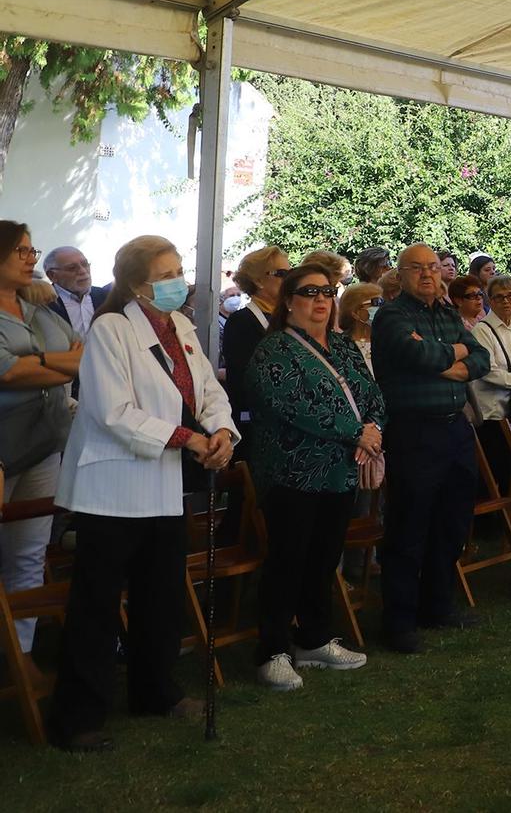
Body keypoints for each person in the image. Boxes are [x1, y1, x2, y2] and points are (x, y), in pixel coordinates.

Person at [50, 235, 236, 751]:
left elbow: (209, 391)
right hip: (112, 488)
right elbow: (113, 411)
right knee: (97, 605)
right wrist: (190, 438)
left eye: (180, 270)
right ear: (137, 284)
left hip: (165, 487)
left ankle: (156, 692)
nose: (179, 281)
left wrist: (220, 432)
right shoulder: (111, 329)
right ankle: (78, 717)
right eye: (166, 274)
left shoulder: (181, 327)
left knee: (161, 596)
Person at [245, 262, 382, 691]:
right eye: (310, 292)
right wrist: (356, 431)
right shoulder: (273, 352)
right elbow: (293, 405)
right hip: (293, 473)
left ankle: (315, 639)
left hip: (340, 471)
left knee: (324, 560)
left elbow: (371, 393)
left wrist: (373, 427)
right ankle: (273, 650)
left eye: (328, 292)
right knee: (288, 562)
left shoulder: (342, 347)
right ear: (288, 301)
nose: (322, 300)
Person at [371, 243, 490, 654]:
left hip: (455, 430)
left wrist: (444, 359)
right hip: (413, 433)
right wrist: (449, 356)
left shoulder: (445, 313)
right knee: (409, 526)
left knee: (452, 522)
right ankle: (400, 621)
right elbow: (414, 352)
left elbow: (481, 357)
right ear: (400, 275)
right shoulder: (391, 316)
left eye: (433, 268)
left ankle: (438, 605)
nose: (427, 275)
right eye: (417, 268)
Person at [1, 222, 82, 656]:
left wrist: (35, 362)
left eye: (33, 250)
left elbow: (82, 355)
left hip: (45, 445)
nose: (32, 258)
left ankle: (19, 655)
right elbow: (8, 373)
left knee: (28, 553)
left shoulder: (40, 310)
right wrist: (53, 364)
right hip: (2, 447)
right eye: (21, 251)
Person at [220, 246, 291, 441]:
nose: (290, 279)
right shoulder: (242, 321)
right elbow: (244, 379)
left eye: (292, 273)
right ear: (258, 280)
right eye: (282, 274)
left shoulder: (291, 318)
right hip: (260, 428)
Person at [469, 277, 511, 490]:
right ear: (490, 300)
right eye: (499, 297)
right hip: (493, 415)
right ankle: (495, 521)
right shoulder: (482, 330)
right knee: (496, 474)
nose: (507, 301)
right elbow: (488, 371)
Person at [42, 245, 108, 339]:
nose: (83, 271)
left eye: (85, 264)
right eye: (72, 268)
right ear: (52, 275)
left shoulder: (106, 297)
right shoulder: (43, 304)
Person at [338, 283, 384, 377]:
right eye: (376, 302)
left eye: (383, 303)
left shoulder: (390, 341)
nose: (382, 308)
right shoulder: (339, 346)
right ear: (355, 312)